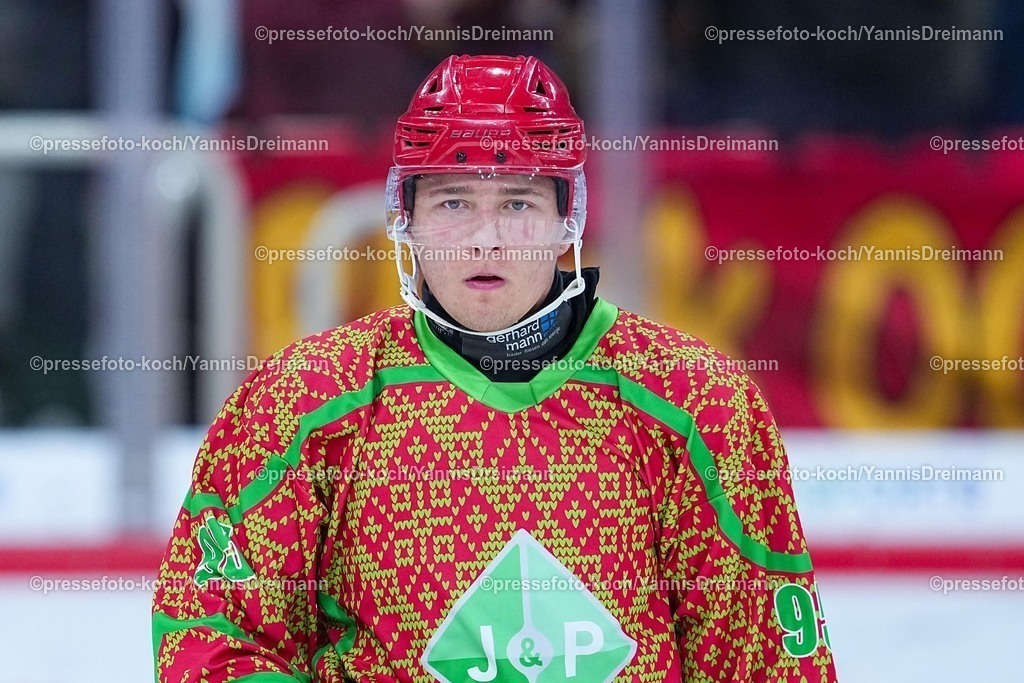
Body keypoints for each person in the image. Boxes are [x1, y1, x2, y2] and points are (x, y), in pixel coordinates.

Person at [152, 54, 838, 682]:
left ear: (569, 218)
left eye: (518, 203)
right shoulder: (303, 404)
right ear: (406, 218)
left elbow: (766, 661)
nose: (485, 237)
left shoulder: (696, 404)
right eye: (453, 203)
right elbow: (211, 636)